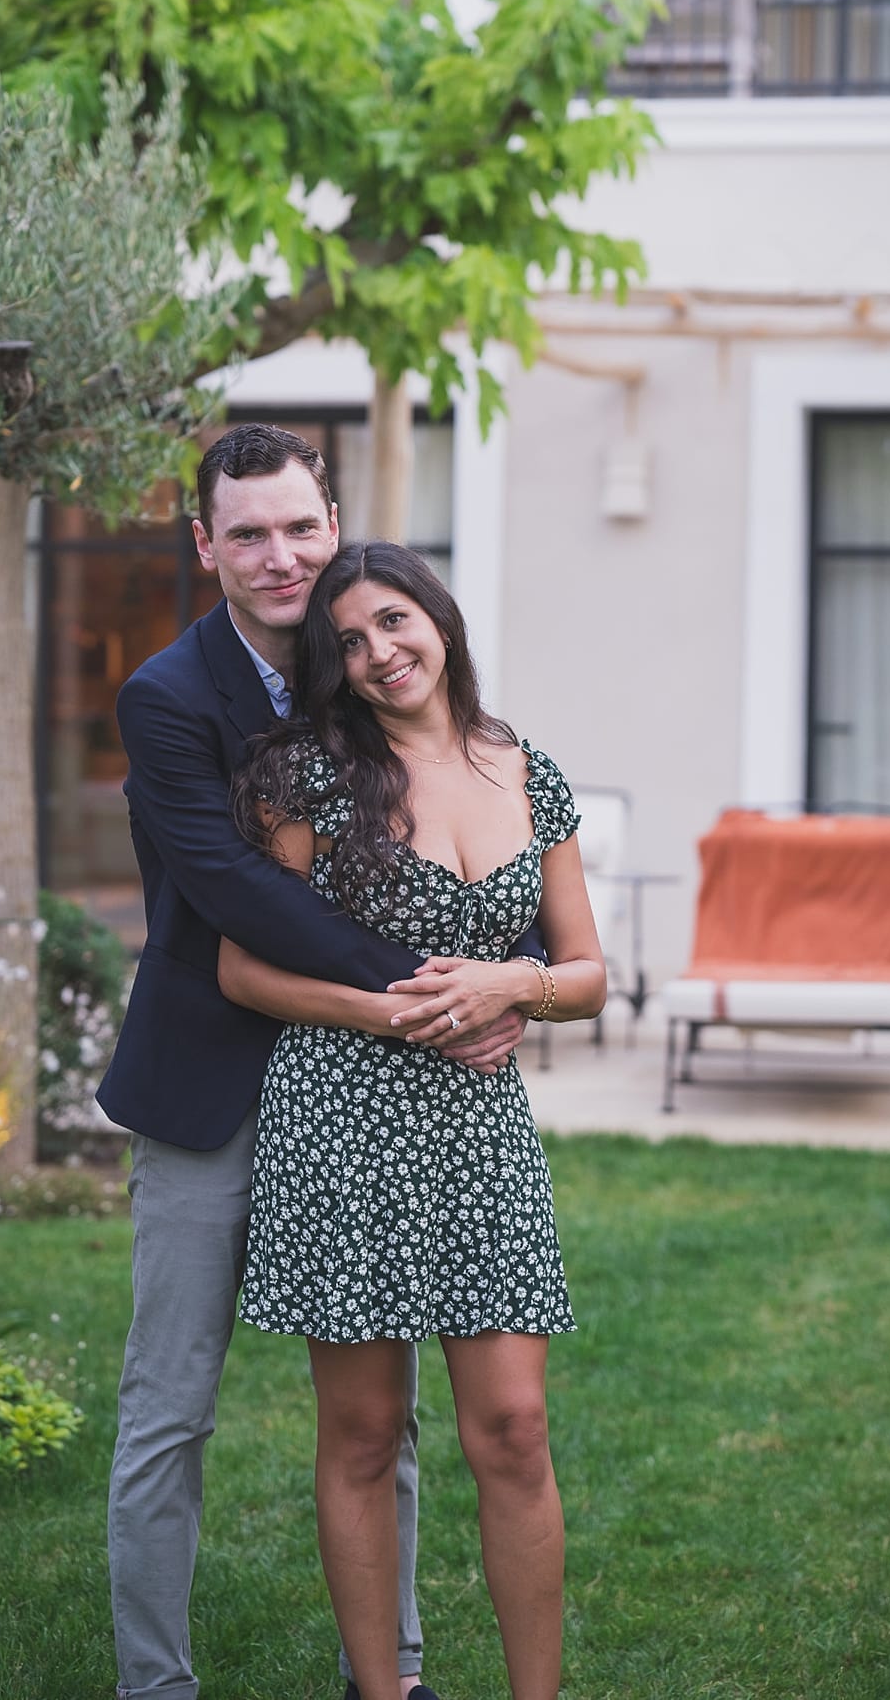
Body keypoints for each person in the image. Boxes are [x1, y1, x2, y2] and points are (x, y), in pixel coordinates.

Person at [101, 423, 524, 1700]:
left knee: (379, 1407)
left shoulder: (375, 661)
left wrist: (503, 968)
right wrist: (433, 989)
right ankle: (155, 1684)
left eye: (299, 526)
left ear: (332, 522)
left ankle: (388, 1672)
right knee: (172, 1403)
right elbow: (234, 889)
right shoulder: (166, 697)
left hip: (374, 1095)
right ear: (205, 545)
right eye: (248, 534)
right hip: (214, 1078)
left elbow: (465, 826)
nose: (279, 555)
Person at [217, 539, 604, 1700]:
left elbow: (588, 971)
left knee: (514, 1427)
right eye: (349, 641)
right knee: (365, 1430)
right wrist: (403, 1013)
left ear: (438, 617)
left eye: (394, 620)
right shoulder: (309, 776)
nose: (379, 652)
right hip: (343, 1115)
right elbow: (244, 967)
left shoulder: (529, 770)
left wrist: (512, 983)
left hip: (482, 1126)